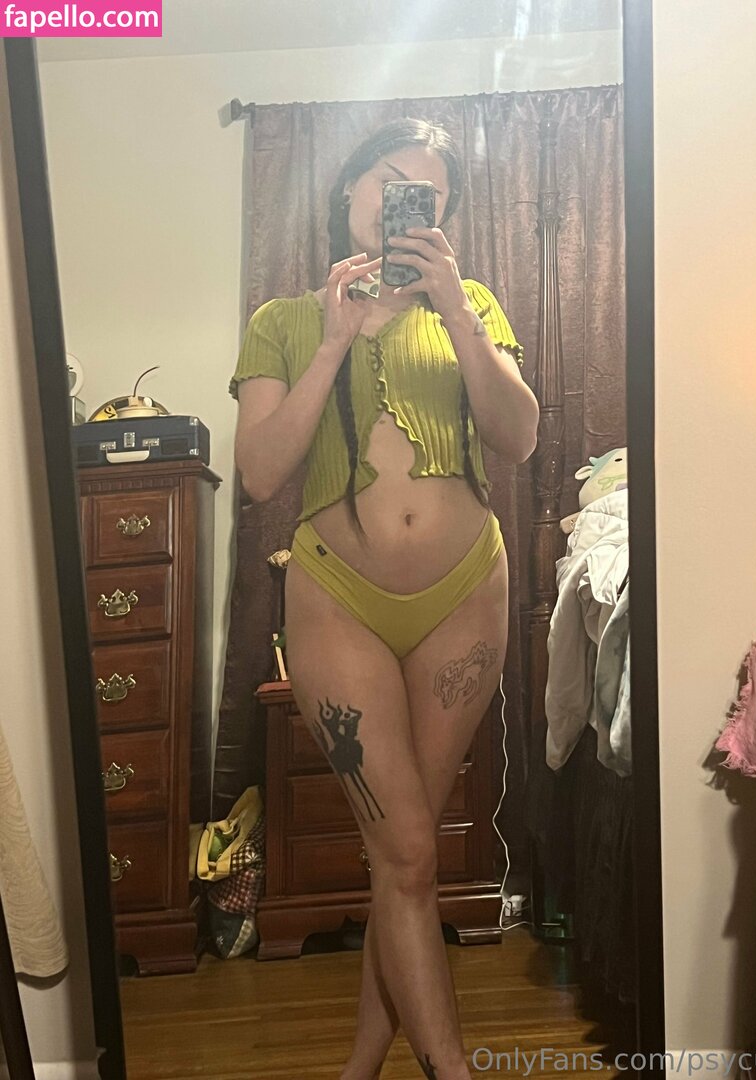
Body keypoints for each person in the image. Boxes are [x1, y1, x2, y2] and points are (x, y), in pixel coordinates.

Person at [231, 118, 538, 1080]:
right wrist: (332, 342)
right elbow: (260, 473)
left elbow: (519, 436)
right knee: (406, 849)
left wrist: (456, 309)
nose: (406, 204)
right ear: (349, 192)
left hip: (465, 593)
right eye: (390, 182)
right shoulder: (283, 319)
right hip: (337, 596)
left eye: (428, 196)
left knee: (401, 855)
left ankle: (362, 1062)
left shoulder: (469, 302)